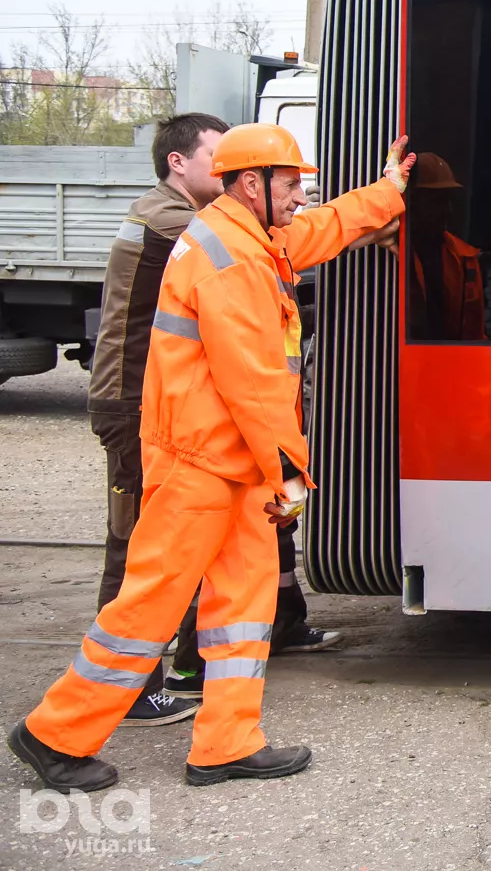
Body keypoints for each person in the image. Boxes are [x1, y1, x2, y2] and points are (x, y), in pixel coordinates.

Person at [8, 124, 414, 792]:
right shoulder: (235, 259)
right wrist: (291, 479)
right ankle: (54, 734)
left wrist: (389, 189)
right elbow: (255, 385)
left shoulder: (247, 237)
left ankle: (226, 743)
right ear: (253, 183)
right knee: (153, 602)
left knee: (243, 606)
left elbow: (323, 229)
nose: (301, 197)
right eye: (292, 184)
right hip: (202, 464)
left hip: (229, 464)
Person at [85, 113, 227, 728]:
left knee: (180, 537)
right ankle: (127, 689)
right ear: (178, 161)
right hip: (131, 404)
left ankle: (185, 666)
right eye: (217, 157)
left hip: (156, 401)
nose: (227, 170)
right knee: (135, 547)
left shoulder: (179, 214)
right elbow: (251, 249)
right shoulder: (169, 220)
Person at [405, 153, 485, 339]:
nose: (448, 210)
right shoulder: (391, 255)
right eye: (437, 201)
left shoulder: (464, 258)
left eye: (448, 200)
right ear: (412, 201)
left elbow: (475, 334)